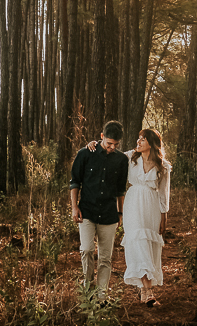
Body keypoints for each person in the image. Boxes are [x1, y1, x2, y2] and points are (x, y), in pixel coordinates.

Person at [87, 128, 171, 306]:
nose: (138, 142)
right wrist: (95, 144)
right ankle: (148, 292)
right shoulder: (130, 157)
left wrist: (164, 217)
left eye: (143, 139)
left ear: (152, 143)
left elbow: (164, 194)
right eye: (138, 138)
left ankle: (144, 290)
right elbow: (109, 152)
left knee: (148, 245)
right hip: (133, 204)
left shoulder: (163, 166)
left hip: (152, 206)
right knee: (138, 243)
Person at [70, 120, 128, 298]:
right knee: (86, 249)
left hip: (109, 213)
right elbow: (75, 182)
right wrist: (74, 207)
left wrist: (120, 213)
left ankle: (102, 294)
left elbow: (120, 190)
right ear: (102, 137)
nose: (111, 147)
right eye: (109, 143)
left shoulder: (121, 160)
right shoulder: (85, 154)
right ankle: (87, 289)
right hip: (86, 211)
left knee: (105, 258)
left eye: (115, 145)